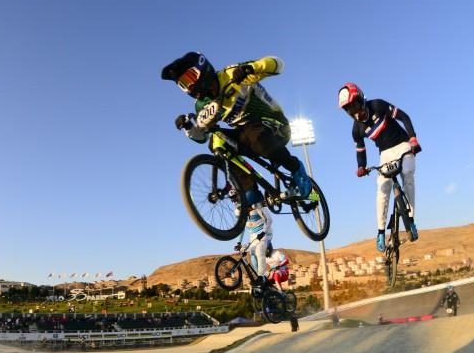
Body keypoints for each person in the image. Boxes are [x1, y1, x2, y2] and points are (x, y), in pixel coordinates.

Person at [163, 51, 313, 205]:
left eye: (190, 78)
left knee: (253, 134)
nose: (190, 86)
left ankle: (296, 168)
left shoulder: (231, 75)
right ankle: (249, 190)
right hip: (247, 133)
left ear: (203, 69)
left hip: (275, 124)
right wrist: (188, 127)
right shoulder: (202, 106)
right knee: (216, 142)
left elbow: (278, 64)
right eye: (184, 84)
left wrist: (252, 68)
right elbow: (202, 136)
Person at [338, 82, 421, 252]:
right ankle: (381, 231)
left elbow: (404, 117)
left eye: (354, 105)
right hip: (385, 154)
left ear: (361, 99)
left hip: (403, 145)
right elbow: (361, 151)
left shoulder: (378, 105)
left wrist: (413, 138)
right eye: (348, 109)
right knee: (382, 189)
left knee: (408, 175)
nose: (354, 111)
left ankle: (411, 220)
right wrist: (361, 166)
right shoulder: (356, 129)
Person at [244, 204, 273, 276]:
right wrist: (238, 242)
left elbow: (269, 220)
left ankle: (261, 275)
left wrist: (264, 232)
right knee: (253, 254)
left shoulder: (256, 207)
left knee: (259, 251)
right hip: (255, 236)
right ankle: (259, 276)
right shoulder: (245, 215)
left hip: (264, 233)